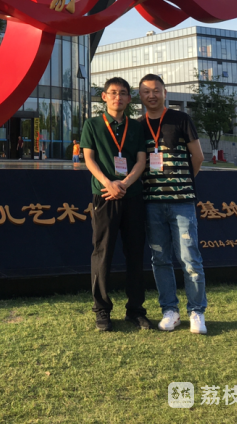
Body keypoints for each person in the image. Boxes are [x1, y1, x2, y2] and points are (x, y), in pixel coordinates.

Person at [138, 74, 207, 335]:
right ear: (140, 96)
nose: (152, 95)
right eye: (146, 91)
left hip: (182, 204)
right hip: (151, 204)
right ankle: (170, 310)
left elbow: (197, 157)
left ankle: (197, 311)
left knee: (190, 258)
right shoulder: (138, 125)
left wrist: (182, 183)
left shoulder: (181, 119)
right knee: (160, 259)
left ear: (165, 93)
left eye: (156, 90)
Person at [80, 77, 149, 332]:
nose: (117, 97)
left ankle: (136, 310)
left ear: (129, 98)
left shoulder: (136, 127)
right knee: (102, 253)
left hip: (132, 196)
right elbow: (89, 159)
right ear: (104, 97)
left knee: (135, 253)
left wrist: (125, 184)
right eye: (113, 93)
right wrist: (108, 183)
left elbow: (141, 161)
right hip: (105, 195)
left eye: (122, 93)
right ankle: (102, 309)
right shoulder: (92, 124)